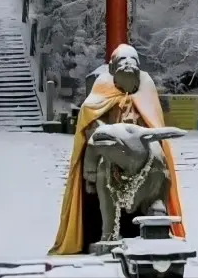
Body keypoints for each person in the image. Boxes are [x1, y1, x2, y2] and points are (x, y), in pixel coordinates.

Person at [49, 44, 185, 256]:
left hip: (144, 149)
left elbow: (155, 122)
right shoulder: (101, 91)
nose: (128, 64)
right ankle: (109, 232)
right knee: (104, 170)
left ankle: (156, 210)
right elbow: (90, 122)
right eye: (123, 61)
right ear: (112, 68)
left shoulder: (146, 90)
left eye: (133, 61)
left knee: (159, 161)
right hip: (114, 154)